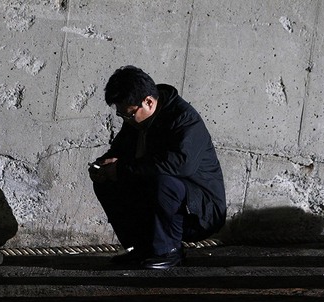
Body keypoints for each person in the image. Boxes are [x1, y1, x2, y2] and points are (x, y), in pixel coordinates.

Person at [89, 65, 226, 269]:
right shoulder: (136, 120)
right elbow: (119, 151)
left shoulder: (184, 119)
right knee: (107, 181)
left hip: (200, 211)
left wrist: (121, 169)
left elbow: (180, 165)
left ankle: (168, 250)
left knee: (162, 180)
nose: (126, 120)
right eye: (122, 116)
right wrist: (103, 165)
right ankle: (141, 248)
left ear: (149, 102)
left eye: (129, 115)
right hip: (163, 203)